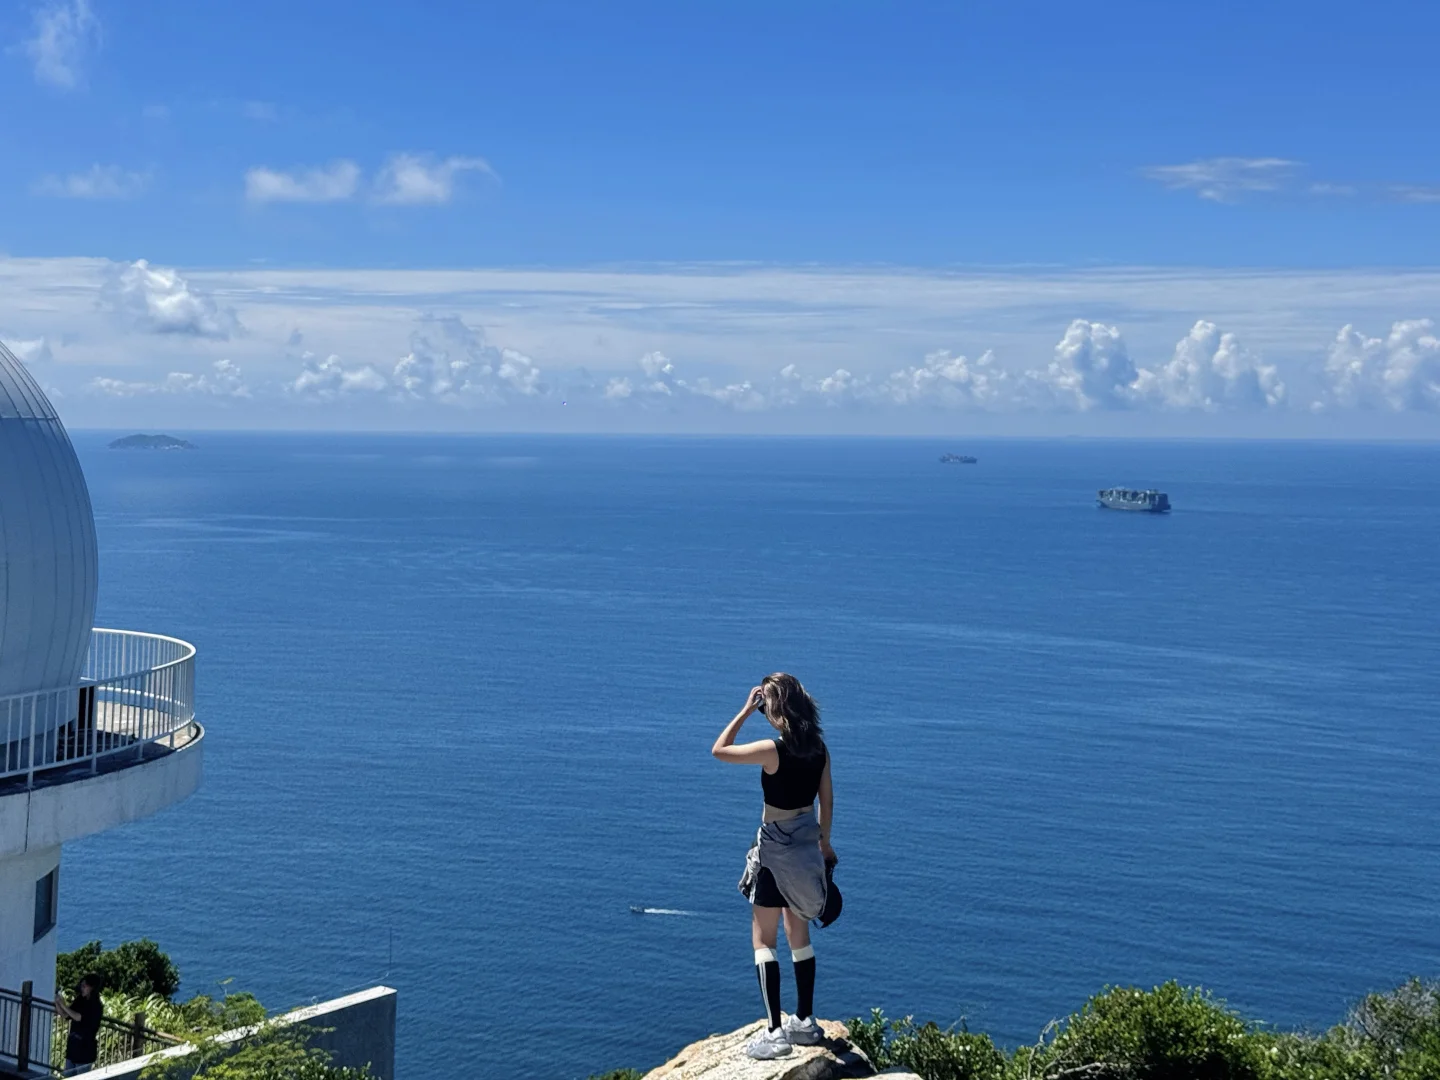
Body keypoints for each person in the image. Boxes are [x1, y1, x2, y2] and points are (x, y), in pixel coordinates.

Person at [712, 673, 835, 1061]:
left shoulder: (772, 750)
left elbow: (719, 749)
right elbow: (826, 804)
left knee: (764, 940)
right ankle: (805, 1021)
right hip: (805, 850)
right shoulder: (819, 750)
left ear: (776, 707)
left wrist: (746, 710)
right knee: (799, 935)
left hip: (773, 850)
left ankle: (775, 1032)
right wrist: (825, 846)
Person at [55, 973, 103, 1075]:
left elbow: (78, 1017)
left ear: (92, 987)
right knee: (68, 1076)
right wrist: (58, 1003)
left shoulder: (96, 1005)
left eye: (84, 986)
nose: (82, 988)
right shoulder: (80, 1000)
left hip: (85, 1050)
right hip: (73, 1047)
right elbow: (66, 1015)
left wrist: (63, 1005)